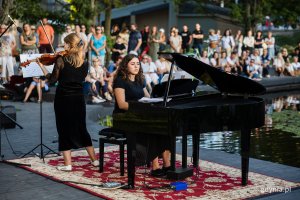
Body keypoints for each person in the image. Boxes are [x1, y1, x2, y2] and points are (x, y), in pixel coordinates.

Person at [37, 33, 99, 171]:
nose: (63, 46)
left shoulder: (61, 60)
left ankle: (68, 164)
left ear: (70, 45)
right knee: (82, 128)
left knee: (63, 129)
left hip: (63, 99)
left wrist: (41, 66)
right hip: (78, 99)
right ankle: (94, 160)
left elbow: (52, 79)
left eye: (65, 43)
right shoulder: (85, 63)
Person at [113, 54, 171, 177]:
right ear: (125, 66)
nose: (136, 66)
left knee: (164, 129)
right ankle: (155, 167)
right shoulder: (120, 81)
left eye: (137, 64)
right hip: (123, 117)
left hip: (139, 115)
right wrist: (140, 106)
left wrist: (153, 102)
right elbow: (122, 104)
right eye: (132, 64)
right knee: (151, 130)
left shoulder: (141, 80)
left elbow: (147, 98)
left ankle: (167, 166)